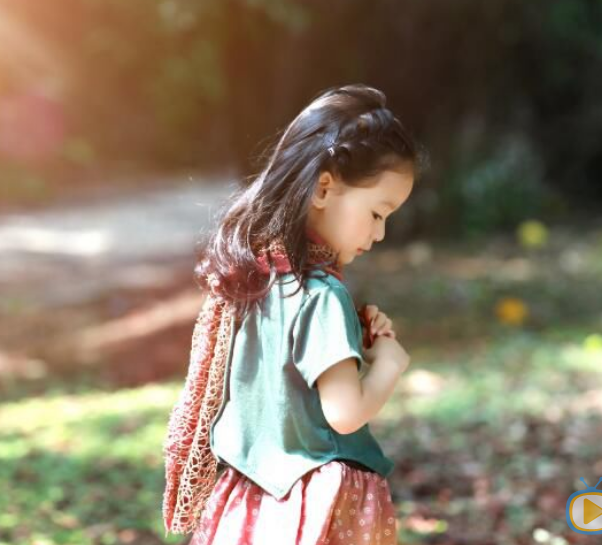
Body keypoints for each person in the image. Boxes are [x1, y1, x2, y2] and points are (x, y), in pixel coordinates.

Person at [162, 83, 429, 545]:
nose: (380, 233)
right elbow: (345, 413)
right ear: (324, 187)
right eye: (378, 213)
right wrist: (387, 366)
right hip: (313, 510)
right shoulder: (322, 297)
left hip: (246, 505)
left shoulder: (251, 282)